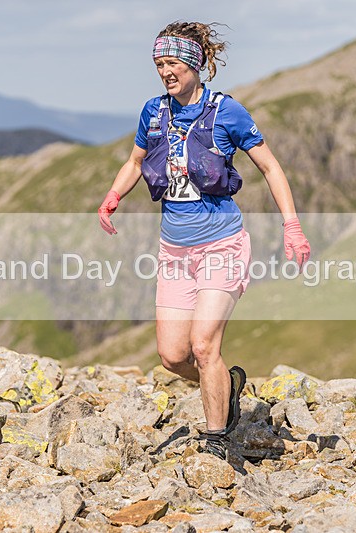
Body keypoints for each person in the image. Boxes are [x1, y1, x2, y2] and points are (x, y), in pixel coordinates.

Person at [98, 21, 310, 461]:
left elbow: (270, 168)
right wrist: (114, 195)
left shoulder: (226, 112)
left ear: (194, 64)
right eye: (159, 64)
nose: (165, 72)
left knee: (203, 346)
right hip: (174, 251)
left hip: (221, 245)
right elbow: (136, 160)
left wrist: (292, 226)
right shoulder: (153, 113)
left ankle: (217, 441)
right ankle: (227, 385)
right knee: (173, 357)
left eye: (172, 62)